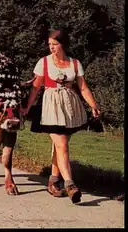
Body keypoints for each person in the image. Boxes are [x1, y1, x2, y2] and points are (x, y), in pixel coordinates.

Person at [21, 29, 100, 204]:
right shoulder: (44, 62)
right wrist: (27, 106)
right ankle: (70, 184)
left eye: (54, 44)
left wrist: (93, 105)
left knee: (60, 146)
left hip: (71, 109)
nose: (51, 48)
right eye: (49, 44)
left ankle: (53, 180)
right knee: (61, 144)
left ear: (63, 45)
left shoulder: (74, 63)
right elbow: (35, 87)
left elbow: (83, 88)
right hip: (50, 108)